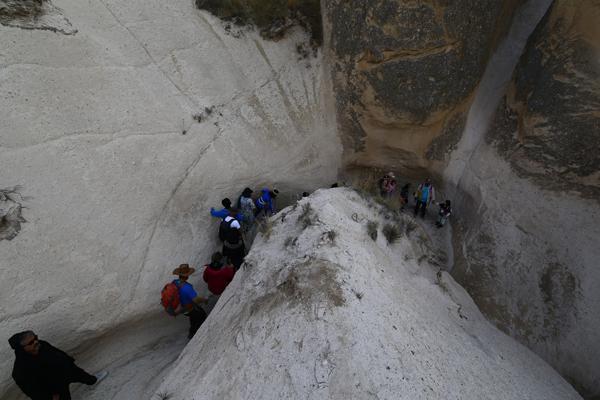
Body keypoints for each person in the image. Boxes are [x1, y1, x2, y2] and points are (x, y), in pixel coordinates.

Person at [9, 331, 108, 400]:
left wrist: (69, 361)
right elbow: (31, 390)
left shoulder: (42, 344)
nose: (36, 342)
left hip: (66, 371)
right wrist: (49, 397)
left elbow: (57, 352)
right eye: (31, 342)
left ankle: (93, 381)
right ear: (21, 348)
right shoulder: (20, 370)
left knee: (84, 376)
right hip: (55, 388)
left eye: (35, 338)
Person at [171, 264, 207, 339]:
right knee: (201, 316)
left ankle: (192, 331)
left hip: (179, 307)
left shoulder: (174, 282)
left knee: (194, 317)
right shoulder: (187, 287)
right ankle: (193, 334)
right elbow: (196, 300)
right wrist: (204, 300)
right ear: (187, 276)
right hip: (187, 308)